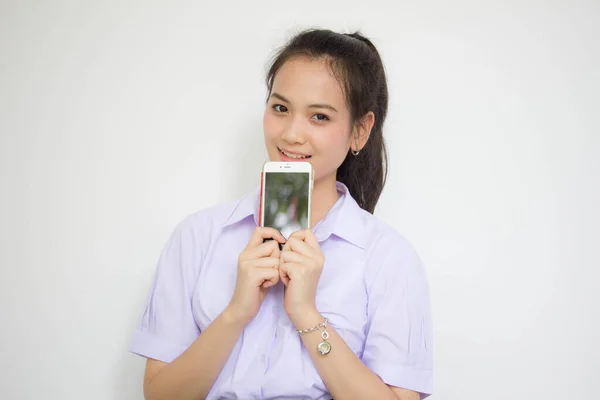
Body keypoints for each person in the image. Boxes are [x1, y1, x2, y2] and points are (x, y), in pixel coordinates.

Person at [129, 28, 433, 400]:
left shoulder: (388, 257)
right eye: (280, 108)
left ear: (360, 130)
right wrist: (236, 313)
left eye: (319, 117)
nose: (291, 133)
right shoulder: (198, 236)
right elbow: (160, 395)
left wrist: (307, 314)